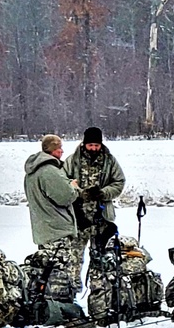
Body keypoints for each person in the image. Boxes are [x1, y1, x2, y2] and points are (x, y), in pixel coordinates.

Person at [23, 134, 83, 300]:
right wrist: (73, 187)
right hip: (58, 232)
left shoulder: (32, 172)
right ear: (52, 150)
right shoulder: (49, 171)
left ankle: (47, 306)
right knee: (60, 276)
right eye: (59, 148)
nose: (62, 151)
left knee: (46, 273)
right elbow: (65, 197)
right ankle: (62, 308)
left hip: (44, 230)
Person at [63, 126, 126, 257]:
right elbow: (63, 182)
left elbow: (119, 182)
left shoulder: (109, 161)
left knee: (100, 259)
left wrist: (103, 193)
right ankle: (74, 279)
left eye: (96, 145)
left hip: (102, 217)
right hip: (78, 218)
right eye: (90, 145)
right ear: (84, 143)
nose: (93, 148)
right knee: (73, 258)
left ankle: (97, 278)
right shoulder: (72, 161)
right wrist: (79, 193)